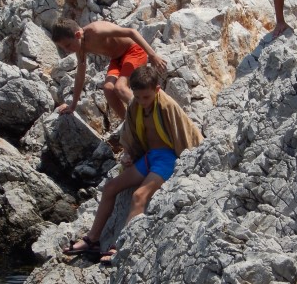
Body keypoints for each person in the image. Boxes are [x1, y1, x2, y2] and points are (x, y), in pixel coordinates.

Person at [63, 66, 204, 264]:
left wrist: (192, 164)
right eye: (137, 97)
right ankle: (92, 239)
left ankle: (122, 246)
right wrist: (128, 155)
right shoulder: (135, 106)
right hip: (149, 157)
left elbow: (187, 135)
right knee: (110, 187)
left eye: (146, 97)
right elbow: (130, 136)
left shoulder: (167, 106)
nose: (142, 102)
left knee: (139, 196)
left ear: (157, 90)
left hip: (167, 158)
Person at [52, 18, 167, 120]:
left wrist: (152, 55)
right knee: (108, 89)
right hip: (117, 59)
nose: (67, 50)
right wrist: (73, 106)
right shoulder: (80, 48)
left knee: (120, 87)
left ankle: (153, 116)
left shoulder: (96, 31)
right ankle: (129, 123)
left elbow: (131, 32)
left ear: (77, 35)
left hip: (133, 51)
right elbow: (80, 76)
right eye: (63, 48)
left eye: (68, 45)